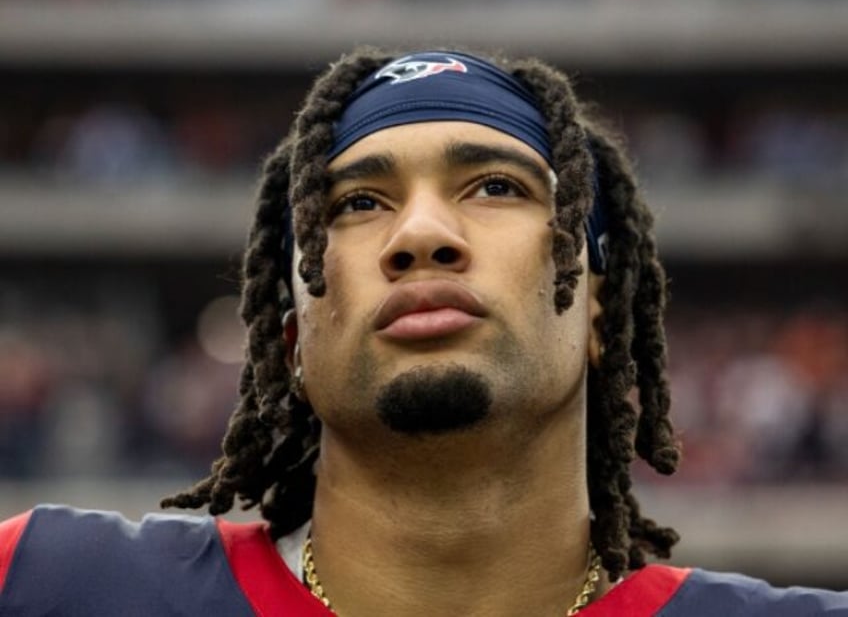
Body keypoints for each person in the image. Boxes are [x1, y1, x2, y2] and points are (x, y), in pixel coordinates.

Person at [1, 48, 845, 616]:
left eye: (495, 187)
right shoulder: (45, 583)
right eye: (359, 204)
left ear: (597, 308)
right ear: (292, 340)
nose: (421, 234)